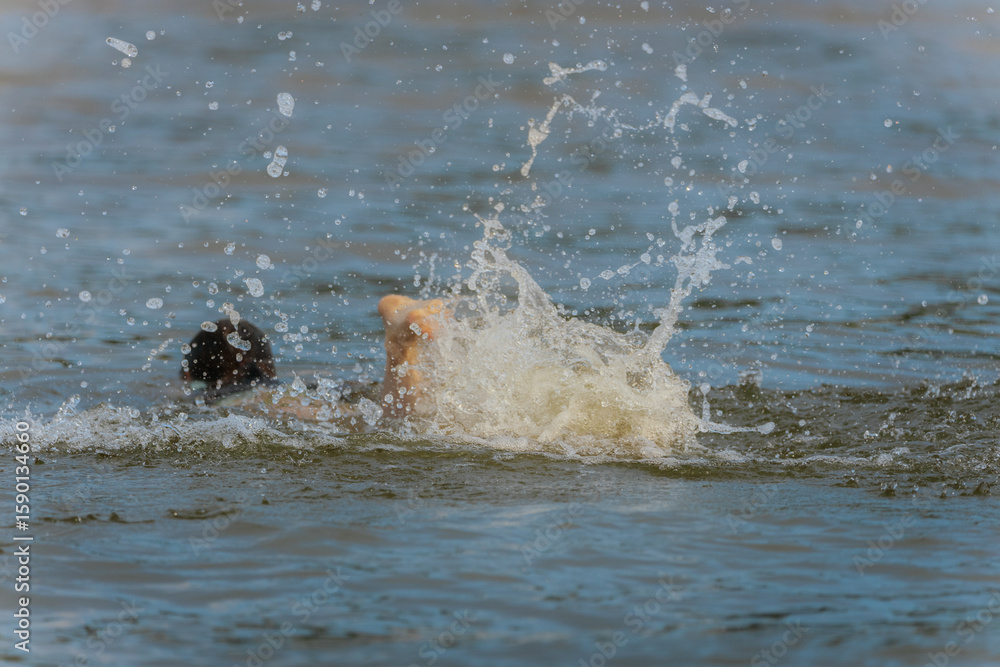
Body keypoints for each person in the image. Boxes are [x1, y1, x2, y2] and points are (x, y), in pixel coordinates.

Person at [180, 296, 447, 424]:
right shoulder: (280, 383)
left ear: (190, 374)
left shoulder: (205, 394)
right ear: (268, 364)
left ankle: (398, 349)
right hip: (308, 391)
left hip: (251, 401)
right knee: (378, 410)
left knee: (378, 424)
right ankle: (400, 347)